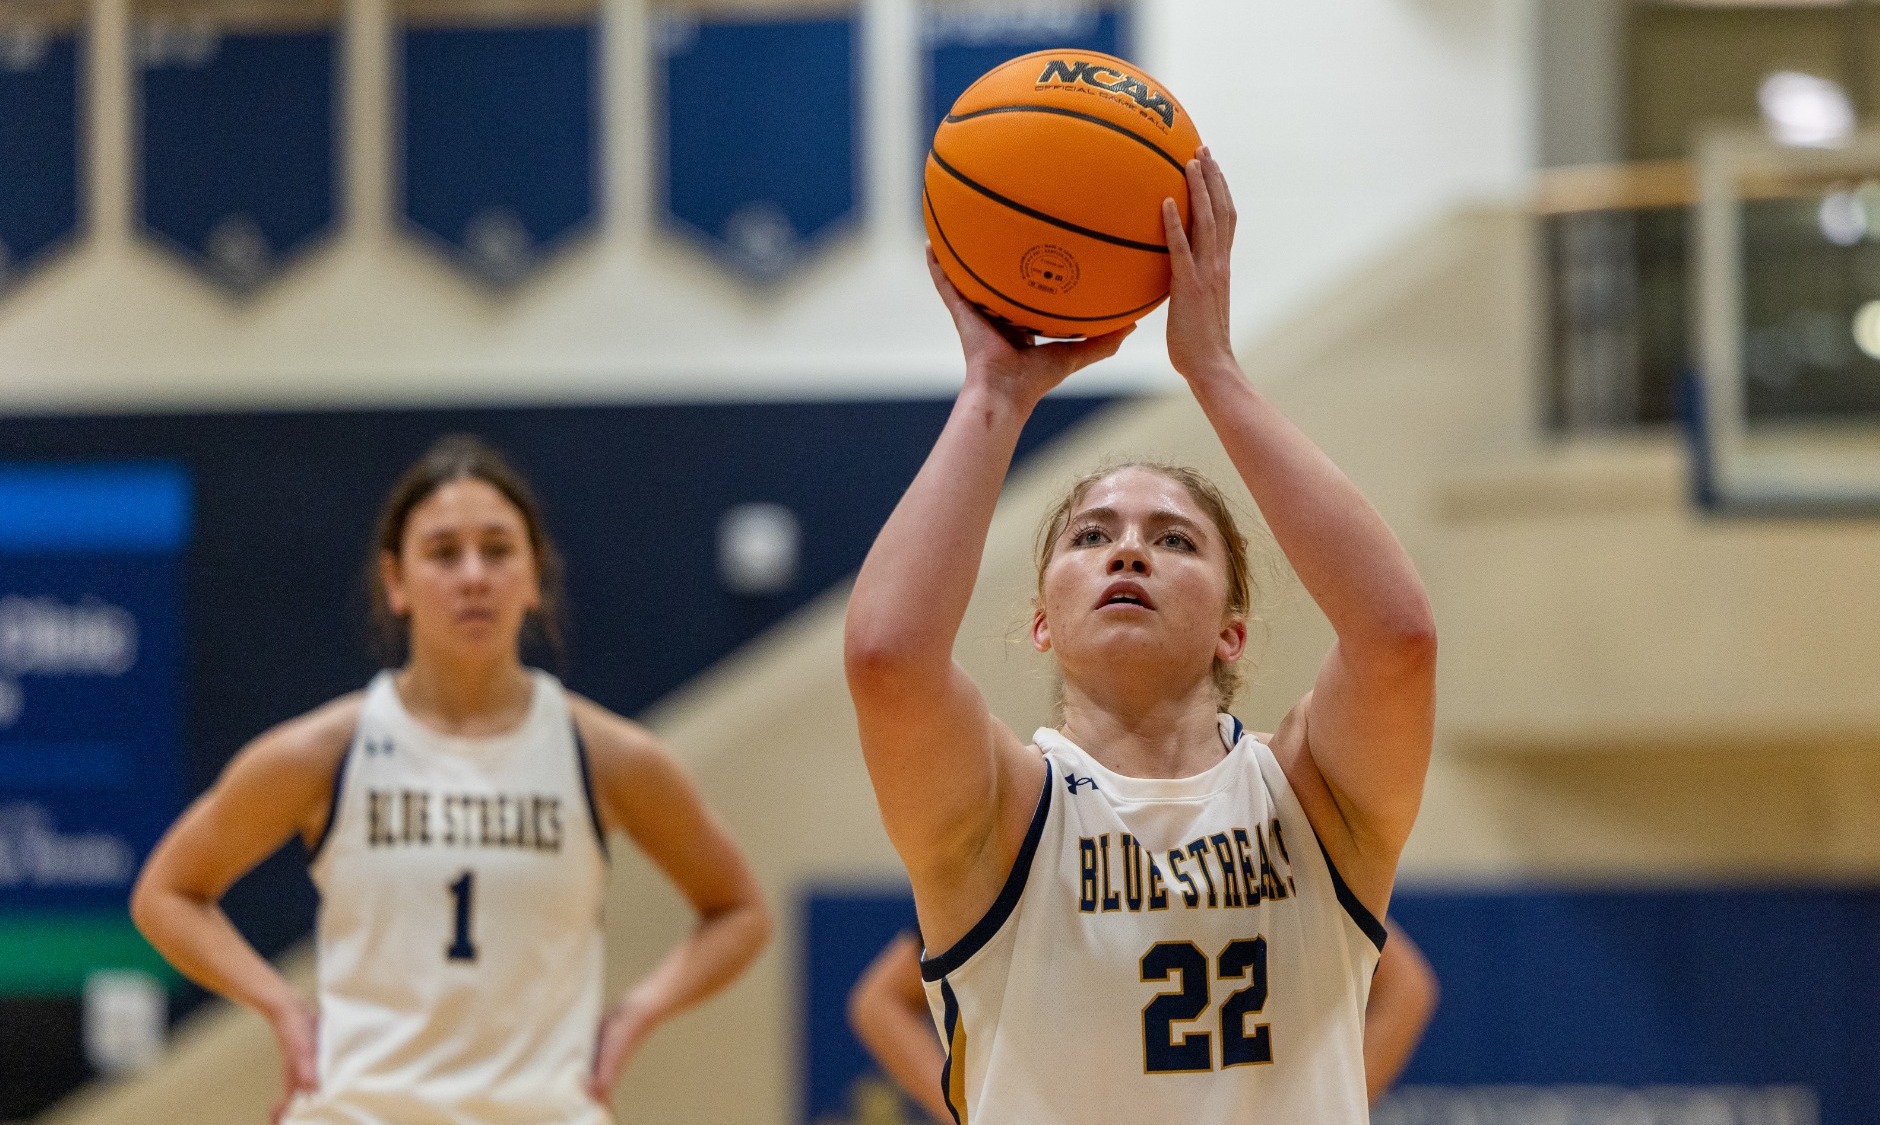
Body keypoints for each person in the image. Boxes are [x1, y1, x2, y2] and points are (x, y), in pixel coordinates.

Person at [842, 148, 1436, 1125]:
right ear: (1039, 619)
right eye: (1090, 535)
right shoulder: (1000, 817)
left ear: (1231, 631)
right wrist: (992, 396)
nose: (1128, 553)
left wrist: (1213, 370)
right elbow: (887, 661)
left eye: (1172, 540)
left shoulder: (1310, 799)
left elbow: (1396, 636)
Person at [131, 435, 772, 1125]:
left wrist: (633, 1016)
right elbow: (168, 892)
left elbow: (737, 909)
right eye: (443, 552)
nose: (473, 575)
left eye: (498, 550)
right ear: (396, 581)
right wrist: (283, 1007)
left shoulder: (605, 755)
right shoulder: (326, 751)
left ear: (533, 576)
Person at [847, 919, 1438, 1123]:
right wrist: (980, 1109)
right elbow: (879, 1001)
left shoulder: (1268, 813)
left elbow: (1406, 986)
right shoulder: (1036, 822)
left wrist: (1314, 1108)